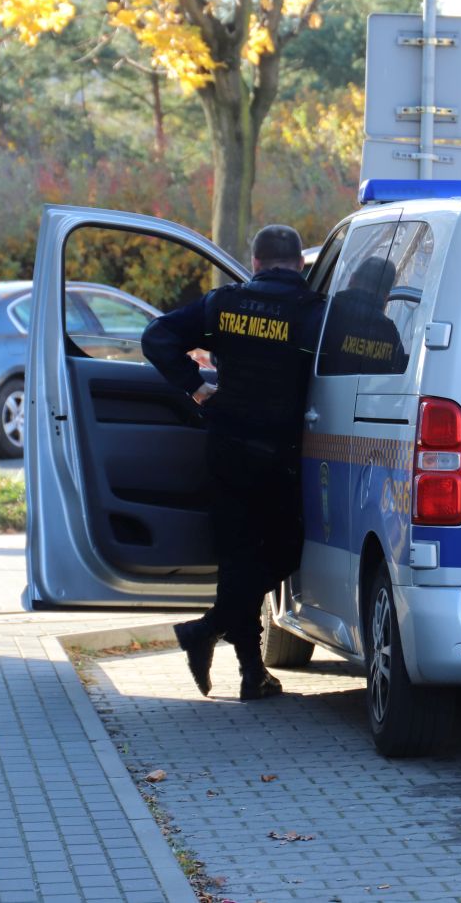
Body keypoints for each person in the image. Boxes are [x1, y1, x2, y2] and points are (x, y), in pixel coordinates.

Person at [142, 225, 325, 700]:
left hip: (227, 447)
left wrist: (197, 386)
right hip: (282, 453)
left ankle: (237, 658)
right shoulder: (314, 314)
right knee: (283, 551)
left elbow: (156, 337)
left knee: (238, 556)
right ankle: (228, 651)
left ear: (256, 261)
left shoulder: (222, 304)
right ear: (300, 265)